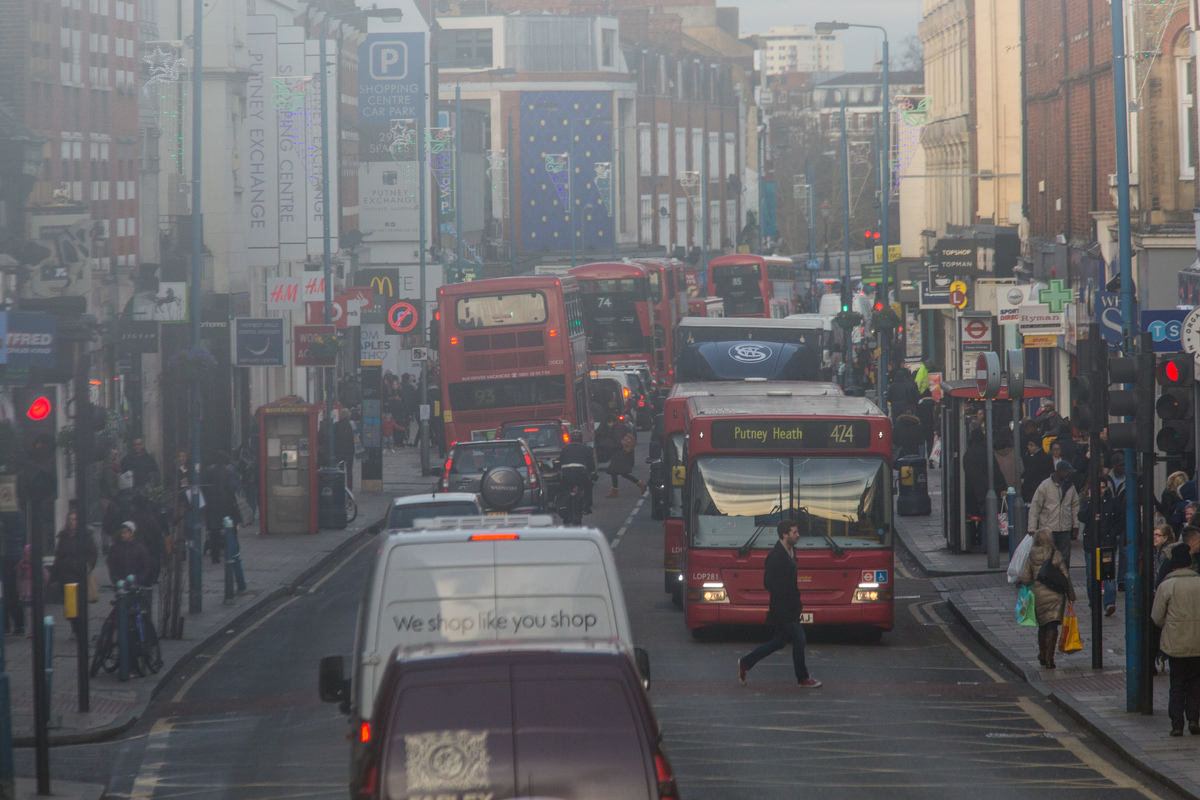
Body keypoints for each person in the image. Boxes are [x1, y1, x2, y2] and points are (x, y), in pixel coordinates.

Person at [737, 520, 822, 688]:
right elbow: (768, 582)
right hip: (783, 608)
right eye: (794, 532)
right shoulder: (775, 556)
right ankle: (802, 678)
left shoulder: (791, 551)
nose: (798, 535)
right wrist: (786, 598)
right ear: (785, 535)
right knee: (800, 638)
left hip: (791, 606)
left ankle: (745, 663)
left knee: (779, 642)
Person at [1151, 543, 1200, 736]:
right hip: (1197, 642)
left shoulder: (1166, 586)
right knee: (1196, 681)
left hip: (1175, 643)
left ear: (1173, 566)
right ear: (1190, 564)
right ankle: (1194, 719)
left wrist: (1170, 625)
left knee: (1177, 682)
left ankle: (1177, 724)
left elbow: (1156, 617)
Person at [1019, 529, 1077, 669]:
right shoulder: (1055, 555)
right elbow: (1066, 577)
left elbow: (1025, 579)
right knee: (1052, 625)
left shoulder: (1031, 556)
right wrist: (1071, 596)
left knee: (1043, 626)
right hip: (1056, 596)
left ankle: (1043, 656)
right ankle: (1050, 659)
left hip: (1039, 596)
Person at [51, 511, 97, 635]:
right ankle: (75, 628)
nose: (72, 522)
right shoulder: (63, 536)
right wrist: (53, 576)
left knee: (79, 605)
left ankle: (80, 629)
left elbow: (93, 553)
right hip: (64, 577)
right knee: (70, 607)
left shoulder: (85, 536)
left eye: (75, 519)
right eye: (70, 519)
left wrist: (88, 567)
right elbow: (58, 556)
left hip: (78, 576)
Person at [1028, 460, 1080, 569]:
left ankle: (1063, 581)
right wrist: (1032, 528)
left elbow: (1075, 506)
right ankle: (1048, 582)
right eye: (1066, 472)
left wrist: (1075, 525)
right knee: (1048, 558)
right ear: (1059, 471)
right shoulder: (1045, 486)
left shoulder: (1070, 487)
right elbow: (1035, 507)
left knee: (1064, 558)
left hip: (1065, 529)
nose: (1068, 475)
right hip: (1048, 530)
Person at [203, 451, 243, 565]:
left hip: (212, 507)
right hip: (226, 507)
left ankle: (215, 557)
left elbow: (204, 489)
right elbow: (232, 488)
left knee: (214, 533)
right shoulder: (227, 473)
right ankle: (230, 553)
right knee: (231, 530)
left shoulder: (209, 473)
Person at [1152, 524, 1178, 674]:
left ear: (1166, 538)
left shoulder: (1165, 554)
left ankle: (1160, 653)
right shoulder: (1156, 552)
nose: (1154, 537)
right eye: (1154, 534)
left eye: (1158, 535)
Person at [557, 430, 597, 514]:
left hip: (566, 475)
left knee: (563, 490)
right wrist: (593, 474)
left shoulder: (564, 448)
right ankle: (586, 506)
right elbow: (590, 464)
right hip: (579, 475)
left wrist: (558, 473)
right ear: (581, 439)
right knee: (588, 485)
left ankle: (562, 506)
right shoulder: (585, 448)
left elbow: (560, 462)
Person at [130, 495, 166, 586]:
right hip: (152, 560)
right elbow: (159, 540)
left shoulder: (133, 521)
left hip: (137, 559)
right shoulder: (151, 520)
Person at [106, 521, 151, 588]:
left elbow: (144, 567)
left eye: (125, 533)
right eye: (121, 533)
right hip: (120, 584)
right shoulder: (116, 548)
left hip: (136, 584)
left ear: (132, 533)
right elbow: (112, 565)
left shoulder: (139, 548)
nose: (122, 535)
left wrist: (138, 580)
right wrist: (116, 580)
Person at [605, 434, 645, 499]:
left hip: (619, 456)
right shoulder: (621, 428)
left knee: (614, 472)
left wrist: (610, 447)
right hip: (622, 455)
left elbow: (618, 444)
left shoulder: (616, 429)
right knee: (623, 474)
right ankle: (641, 484)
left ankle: (615, 492)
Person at [1021, 438, 1053, 504]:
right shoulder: (1040, 456)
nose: (1029, 447)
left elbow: (1031, 473)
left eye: (1031, 445)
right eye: (1028, 445)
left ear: (1037, 446)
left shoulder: (1038, 458)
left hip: (1034, 489)